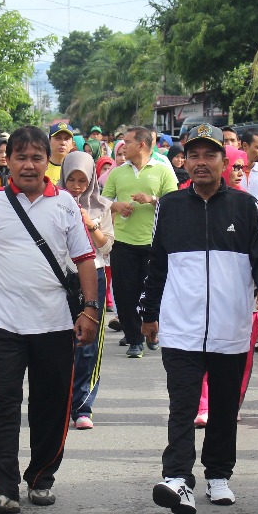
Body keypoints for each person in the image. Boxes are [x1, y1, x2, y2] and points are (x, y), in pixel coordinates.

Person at [0, 125, 100, 514]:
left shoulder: (65, 204)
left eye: (37, 157)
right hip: (3, 325)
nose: (29, 165)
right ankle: (2, 487)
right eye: (21, 157)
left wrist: (90, 310)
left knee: (51, 405)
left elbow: (85, 260)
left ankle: (41, 477)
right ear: (8, 161)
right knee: (4, 402)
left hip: (55, 324)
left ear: (48, 161)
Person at [141, 124, 258, 514]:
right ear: (184, 161)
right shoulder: (170, 205)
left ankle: (219, 475)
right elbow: (157, 263)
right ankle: (177, 479)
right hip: (180, 328)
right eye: (194, 155)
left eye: (210, 155)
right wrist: (148, 313)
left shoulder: (245, 206)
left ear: (225, 161)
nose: (201, 162)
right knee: (183, 406)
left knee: (223, 408)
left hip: (230, 327)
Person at [102, 126, 178, 357]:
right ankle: (134, 339)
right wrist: (116, 206)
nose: (123, 146)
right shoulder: (117, 173)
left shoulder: (163, 171)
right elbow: (102, 203)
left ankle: (152, 332)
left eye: (128, 142)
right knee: (125, 293)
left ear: (141, 145)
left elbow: (175, 203)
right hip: (123, 242)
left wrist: (152, 199)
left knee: (155, 291)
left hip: (154, 243)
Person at [61, 150, 114, 429]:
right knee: (59, 341)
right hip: (61, 278)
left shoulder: (102, 206)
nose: (77, 186)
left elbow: (107, 247)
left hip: (93, 275)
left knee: (89, 343)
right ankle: (59, 401)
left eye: (83, 180)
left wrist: (90, 223)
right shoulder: (50, 204)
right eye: (71, 179)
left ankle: (83, 406)